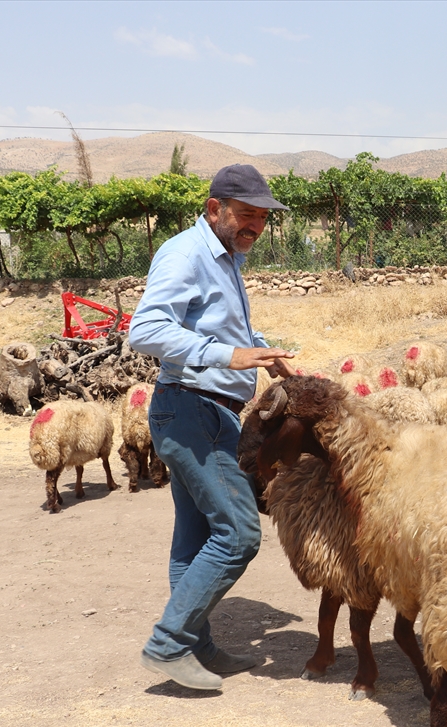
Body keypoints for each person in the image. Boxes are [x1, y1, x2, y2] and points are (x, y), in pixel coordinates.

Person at [129, 164, 294, 690]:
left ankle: (196, 646)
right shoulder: (186, 253)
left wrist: (260, 350)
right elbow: (147, 329)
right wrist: (231, 355)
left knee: (195, 535)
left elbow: (217, 327)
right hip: (192, 410)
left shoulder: (225, 259)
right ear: (214, 208)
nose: (255, 228)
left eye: (262, 219)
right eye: (246, 215)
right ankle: (168, 643)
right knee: (240, 533)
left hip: (207, 410)